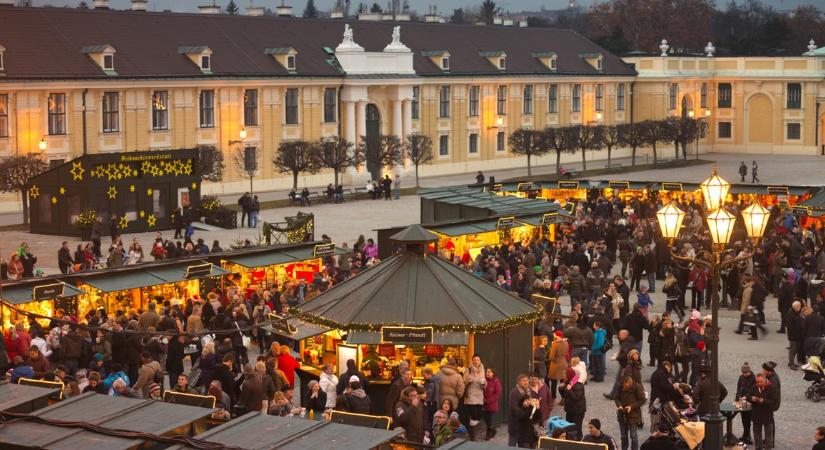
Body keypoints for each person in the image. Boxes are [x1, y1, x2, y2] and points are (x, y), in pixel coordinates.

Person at [506, 374, 540, 448]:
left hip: (526, 424)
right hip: (515, 424)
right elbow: (515, 409)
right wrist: (524, 407)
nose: (526, 382)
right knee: (512, 444)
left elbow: (534, 405)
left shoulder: (530, 391)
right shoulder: (514, 392)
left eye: (527, 380)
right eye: (523, 381)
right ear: (518, 382)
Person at [749, 373, 777, 450]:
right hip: (756, 415)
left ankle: (768, 448)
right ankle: (758, 448)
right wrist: (752, 398)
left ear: (765, 380)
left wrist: (763, 401)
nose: (758, 384)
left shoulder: (771, 388)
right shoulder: (754, 387)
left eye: (760, 382)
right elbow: (749, 396)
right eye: (757, 382)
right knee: (757, 433)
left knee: (768, 434)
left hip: (767, 415)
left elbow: (774, 401)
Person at [559, 367, 586, 440]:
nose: (563, 375)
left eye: (565, 374)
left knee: (577, 428)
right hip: (570, 409)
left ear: (569, 374)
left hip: (578, 411)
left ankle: (578, 442)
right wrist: (561, 388)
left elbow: (576, 398)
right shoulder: (568, 382)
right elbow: (564, 395)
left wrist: (569, 390)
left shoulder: (578, 384)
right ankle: (570, 441)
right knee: (568, 427)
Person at [463, 355, 486, 431]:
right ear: (472, 361)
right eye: (475, 360)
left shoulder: (482, 370)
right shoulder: (468, 370)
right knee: (473, 416)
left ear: (480, 361)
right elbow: (463, 383)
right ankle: (472, 434)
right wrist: (468, 381)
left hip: (479, 395)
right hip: (471, 395)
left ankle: (474, 431)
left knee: (479, 415)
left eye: (478, 360)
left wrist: (484, 384)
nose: (476, 361)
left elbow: (484, 385)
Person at [736, 362, 756, 445]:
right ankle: (745, 435)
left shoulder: (754, 379)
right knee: (744, 419)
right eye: (743, 373)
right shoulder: (741, 377)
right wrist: (737, 399)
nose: (744, 374)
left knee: (748, 420)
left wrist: (745, 397)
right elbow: (738, 388)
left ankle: (748, 436)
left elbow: (752, 391)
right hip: (741, 401)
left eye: (746, 373)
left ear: (749, 371)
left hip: (749, 402)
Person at [483, 367, 502, 441]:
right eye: (486, 372)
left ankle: (488, 434)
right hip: (483, 404)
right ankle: (493, 430)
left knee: (489, 420)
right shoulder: (483, 381)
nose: (487, 373)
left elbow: (497, 394)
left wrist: (488, 400)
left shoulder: (496, 382)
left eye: (489, 372)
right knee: (485, 418)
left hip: (492, 404)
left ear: (493, 373)